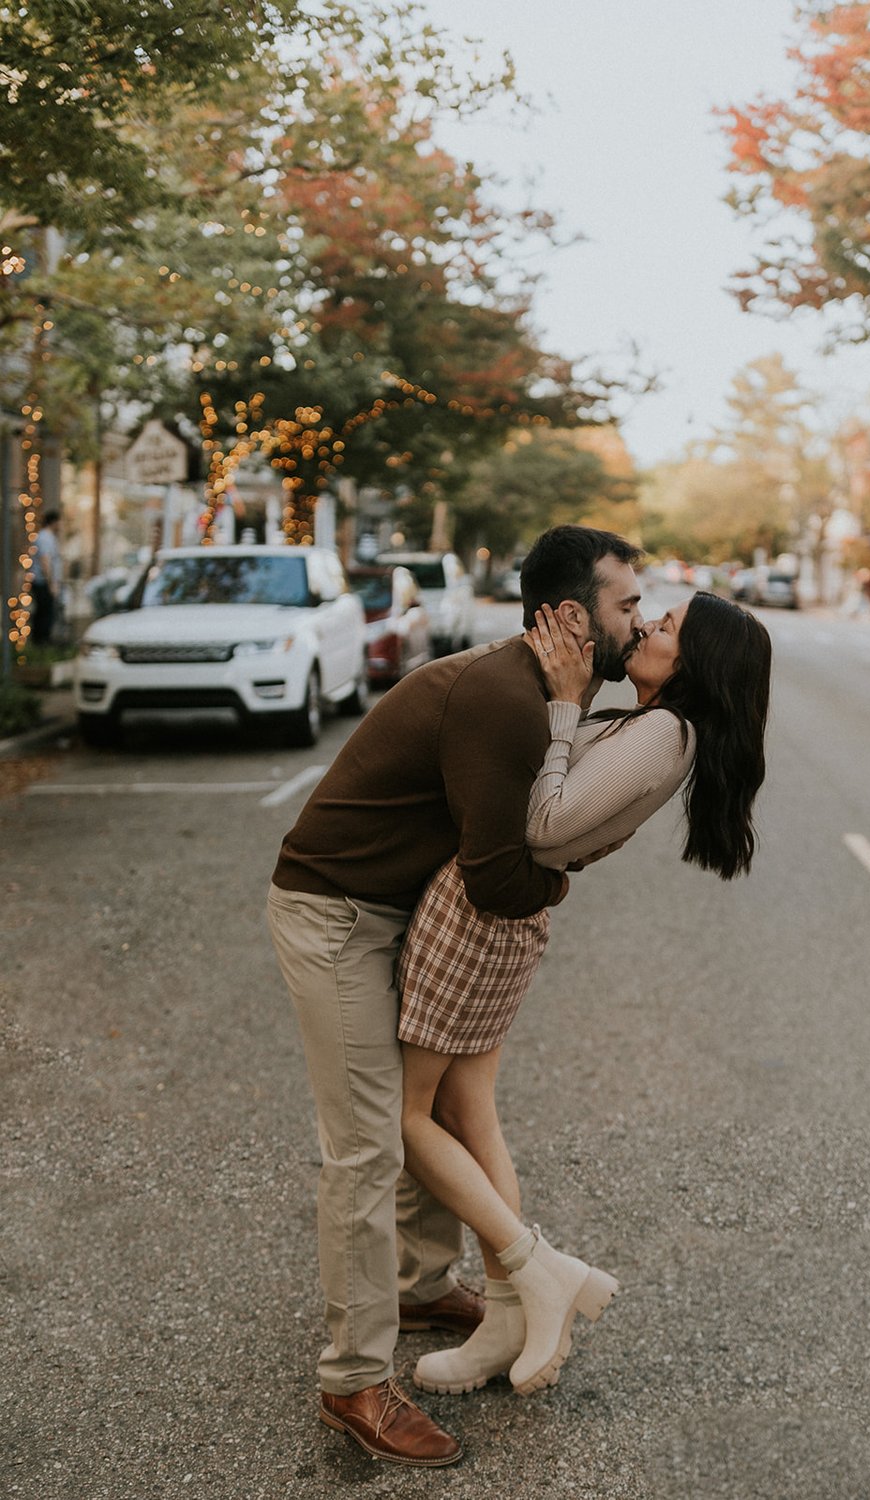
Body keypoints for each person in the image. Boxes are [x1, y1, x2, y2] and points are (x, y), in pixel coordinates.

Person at [267, 525, 644, 1467]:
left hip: (392, 905)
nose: (642, 621)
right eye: (627, 605)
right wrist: (557, 881)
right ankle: (354, 1382)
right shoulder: (502, 700)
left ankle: (423, 1283)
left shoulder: (542, 693)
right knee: (366, 1142)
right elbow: (500, 881)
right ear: (570, 618)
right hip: (340, 912)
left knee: (422, 1107)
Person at [397, 588, 772, 1399]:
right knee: (468, 1113)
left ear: (694, 662)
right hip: (500, 917)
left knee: (401, 1116)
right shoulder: (653, 724)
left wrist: (565, 705)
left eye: (667, 627)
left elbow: (542, 824)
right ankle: (505, 1318)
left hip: (476, 917)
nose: (646, 626)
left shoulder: (666, 732)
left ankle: (539, 1271)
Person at [28, 509, 63, 646]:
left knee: (46, 612)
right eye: (60, 522)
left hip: (45, 582)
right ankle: (41, 642)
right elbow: (45, 561)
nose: (61, 525)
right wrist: (51, 583)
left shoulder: (49, 537)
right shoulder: (44, 538)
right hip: (43, 583)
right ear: (53, 522)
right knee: (44, 613)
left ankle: (42, 641)